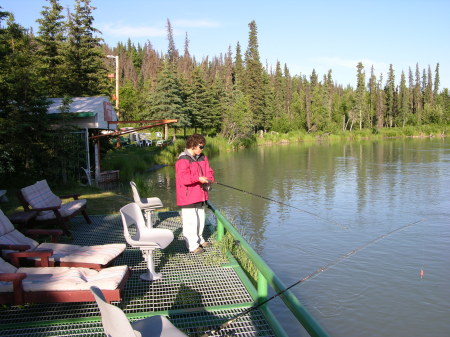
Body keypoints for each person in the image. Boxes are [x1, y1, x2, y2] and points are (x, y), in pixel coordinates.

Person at [175, 134, 214, 254]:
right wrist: (198, 179)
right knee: (190, 221)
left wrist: (209, 180)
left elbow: (209, 171)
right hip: (188, 197)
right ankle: (192, 246)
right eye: (201, 147)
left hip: (200, 194)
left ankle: (200, 239)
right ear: (192, 145)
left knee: (200, 218)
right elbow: (183, 179)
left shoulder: (202, 157)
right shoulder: (183, 159)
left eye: (203, 147)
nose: (202, 149)